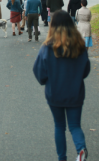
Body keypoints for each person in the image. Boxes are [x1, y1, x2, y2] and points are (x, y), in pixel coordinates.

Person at [33, 10, 90, 161]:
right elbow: (85, 71)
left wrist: (46, 80)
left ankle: (62, 158)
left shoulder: (47, 48)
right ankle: (80, 149)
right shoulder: (80, 47)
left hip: (55, 93)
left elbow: (39, 72)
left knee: (59, 126)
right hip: (75, 92)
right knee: (75, 125)